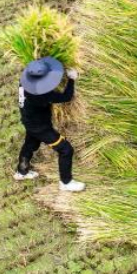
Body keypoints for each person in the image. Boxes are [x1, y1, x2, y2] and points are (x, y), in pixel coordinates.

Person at [14, 57, 85, 192]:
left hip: (28, 120)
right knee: (66, 150)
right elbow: (66, 97)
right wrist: (71, 79)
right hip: (40, 127)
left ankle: (21, 172)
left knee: (30, 145)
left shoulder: (25, 80)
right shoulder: (40, 94)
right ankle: (66, 182)